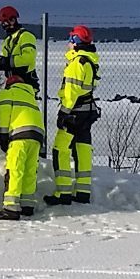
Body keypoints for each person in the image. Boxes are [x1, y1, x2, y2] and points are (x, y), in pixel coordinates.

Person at [45, 25, 100, 206]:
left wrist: (63, 113)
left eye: (70, 40)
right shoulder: (90, 62)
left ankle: (63, 193)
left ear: (75, 43)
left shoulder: (77, 64)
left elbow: (71, 92)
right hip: (87, 112)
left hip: (74, 113)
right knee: (82, 150)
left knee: (60, 150)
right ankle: (83, 192)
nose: (68, 44)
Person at [0, 74, 44, 220]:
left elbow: (5, 114)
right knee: (29, 170)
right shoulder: (30, 96)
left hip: (20, 135)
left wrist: (4, 135)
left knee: (15, 169)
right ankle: (28, 205)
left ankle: (11, 208)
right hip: (37, 135)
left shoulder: (8, 93)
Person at [0, 6, 38, 91]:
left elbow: (28, 58)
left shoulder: (26, 36)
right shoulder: (8, 39)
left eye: (4, 22)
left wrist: (6, 62)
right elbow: (9, 61)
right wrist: (1, 64)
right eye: (1, 22)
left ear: (12, 20)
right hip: (12, 82)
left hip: (26, 82)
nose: (3, 25)